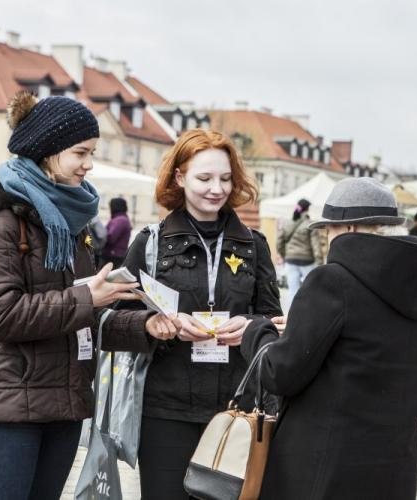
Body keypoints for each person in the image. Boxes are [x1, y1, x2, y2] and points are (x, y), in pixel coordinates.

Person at [0, 92, 180, 500]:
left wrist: (146, 326)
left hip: (63, 404)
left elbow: (82, 316)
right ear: (46, 150)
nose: (89, 164)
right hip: (6, 405)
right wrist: (87, 299)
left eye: (92, 152)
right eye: (80, 152)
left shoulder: (68, 220)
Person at [241, 177, 417, 500]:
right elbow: (369, 345)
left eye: (328, 231)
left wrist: (255, 332)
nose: (326, 240)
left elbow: (279, 374)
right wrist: (301, 325)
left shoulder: (332, 281)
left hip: (323, 470)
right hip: (393, 467)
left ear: (349, 229)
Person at [116, 129, 283, 500]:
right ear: (180, 177)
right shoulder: (150, 243)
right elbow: (114, 322)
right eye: (204, 178)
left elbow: (275, 324)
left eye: (225, 178)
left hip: (235, 411)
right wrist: (153, 325)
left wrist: (253, 327)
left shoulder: (253, 246)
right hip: (166, 409)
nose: (216, 189)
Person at [276, 198, 323, 307]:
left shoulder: (288, 223)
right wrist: (320, 263)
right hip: (307, 261)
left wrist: (284, 255)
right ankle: (309, 313)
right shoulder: (310, 224)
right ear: (307, 210)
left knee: (293, 290)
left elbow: (279, 242)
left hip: (290, 260)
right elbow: (316, 245)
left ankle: (292, 316)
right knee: (310, 289)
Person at [101, 197, 132, 268]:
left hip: (113, 256)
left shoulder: (120, 220)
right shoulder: (121, 219)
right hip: (116, 255)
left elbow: (111, 238)